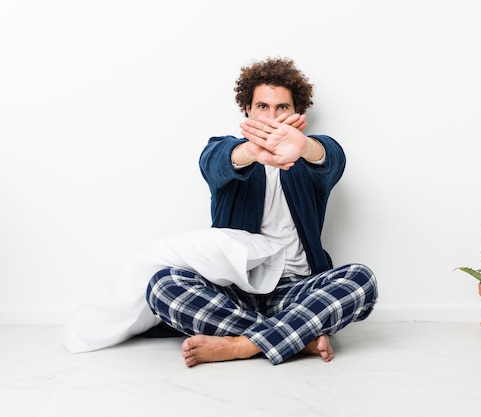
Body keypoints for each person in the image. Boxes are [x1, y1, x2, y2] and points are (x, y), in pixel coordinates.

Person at [62, 57, 378, 367]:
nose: (271, 115)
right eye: (262, 107)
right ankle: (296, 337)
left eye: (282, 107)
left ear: (297, 111)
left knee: (361, 280)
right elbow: (213, 162)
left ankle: (242, 345)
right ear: (248, 110)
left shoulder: (307, 161)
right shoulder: (229, 150)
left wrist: (306, 146)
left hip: (296, 289)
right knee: (162, 285)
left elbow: (332, 158)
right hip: (235, 293)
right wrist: (250, 151)